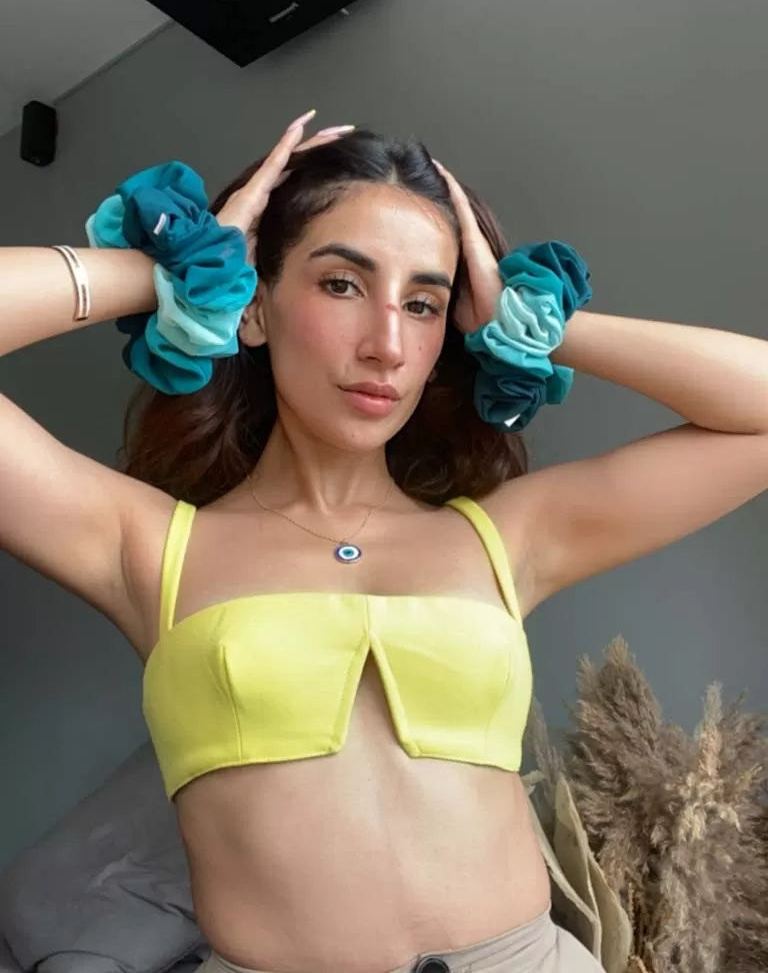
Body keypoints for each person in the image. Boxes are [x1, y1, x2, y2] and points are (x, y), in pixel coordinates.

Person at [3, 110, 767, 973]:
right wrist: (168, 271)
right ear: (255, 307)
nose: (388, 346)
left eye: (424, 303)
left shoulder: (506, 537)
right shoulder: (146, 547)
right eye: (341, 284)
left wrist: (536, 326)